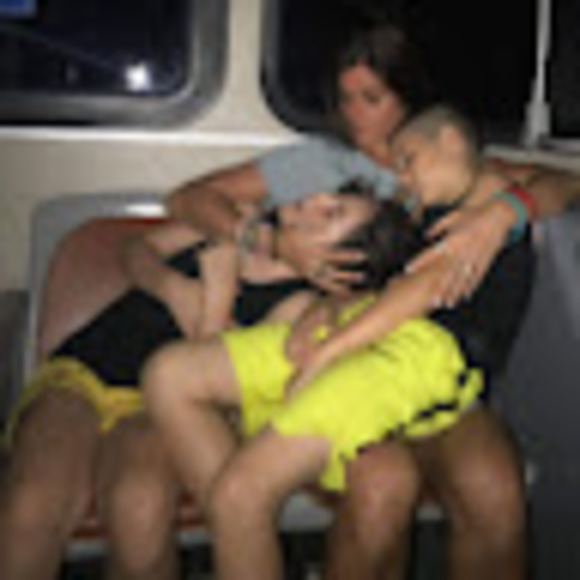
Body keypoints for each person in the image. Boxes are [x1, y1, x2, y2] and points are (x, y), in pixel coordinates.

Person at [163, 23, 580, 580]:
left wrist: (507, 213)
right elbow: (187, 199)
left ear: (408, 98)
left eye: (371, 98)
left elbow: (567, 182)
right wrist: (271, 242)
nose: (355, 116)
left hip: (426, 358)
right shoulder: (322, 164)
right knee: (381, 484)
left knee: (493, 486)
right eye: (344, 99)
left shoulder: (446, 169)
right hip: (350, 335)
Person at [0, 185, 377, 580]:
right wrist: (171, 287)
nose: (315, 201)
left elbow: (216, 385)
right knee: (30, 505)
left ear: (344, 260)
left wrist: (218, 295)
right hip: (86, 369)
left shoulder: (300, 308)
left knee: (139, 509)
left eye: (333, 214)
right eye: (327, 195)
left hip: (160, 406)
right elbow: (136, 250)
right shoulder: (242, 219)